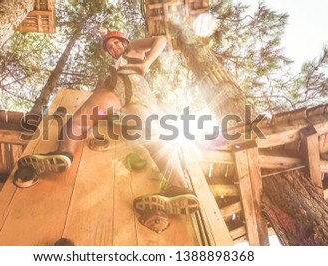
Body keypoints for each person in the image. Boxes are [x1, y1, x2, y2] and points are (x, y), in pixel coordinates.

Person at [15, 31, 199, 216]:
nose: (114, 48)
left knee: (80, 120)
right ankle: (179, 188)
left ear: (124, 41)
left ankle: (64, 152)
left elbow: (161, 39)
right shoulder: (117, 63)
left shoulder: (133, 46)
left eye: (116, 43)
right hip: (133, 97)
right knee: (153, 137)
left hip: (126, 84)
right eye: (110, 47)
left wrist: (146, 63)